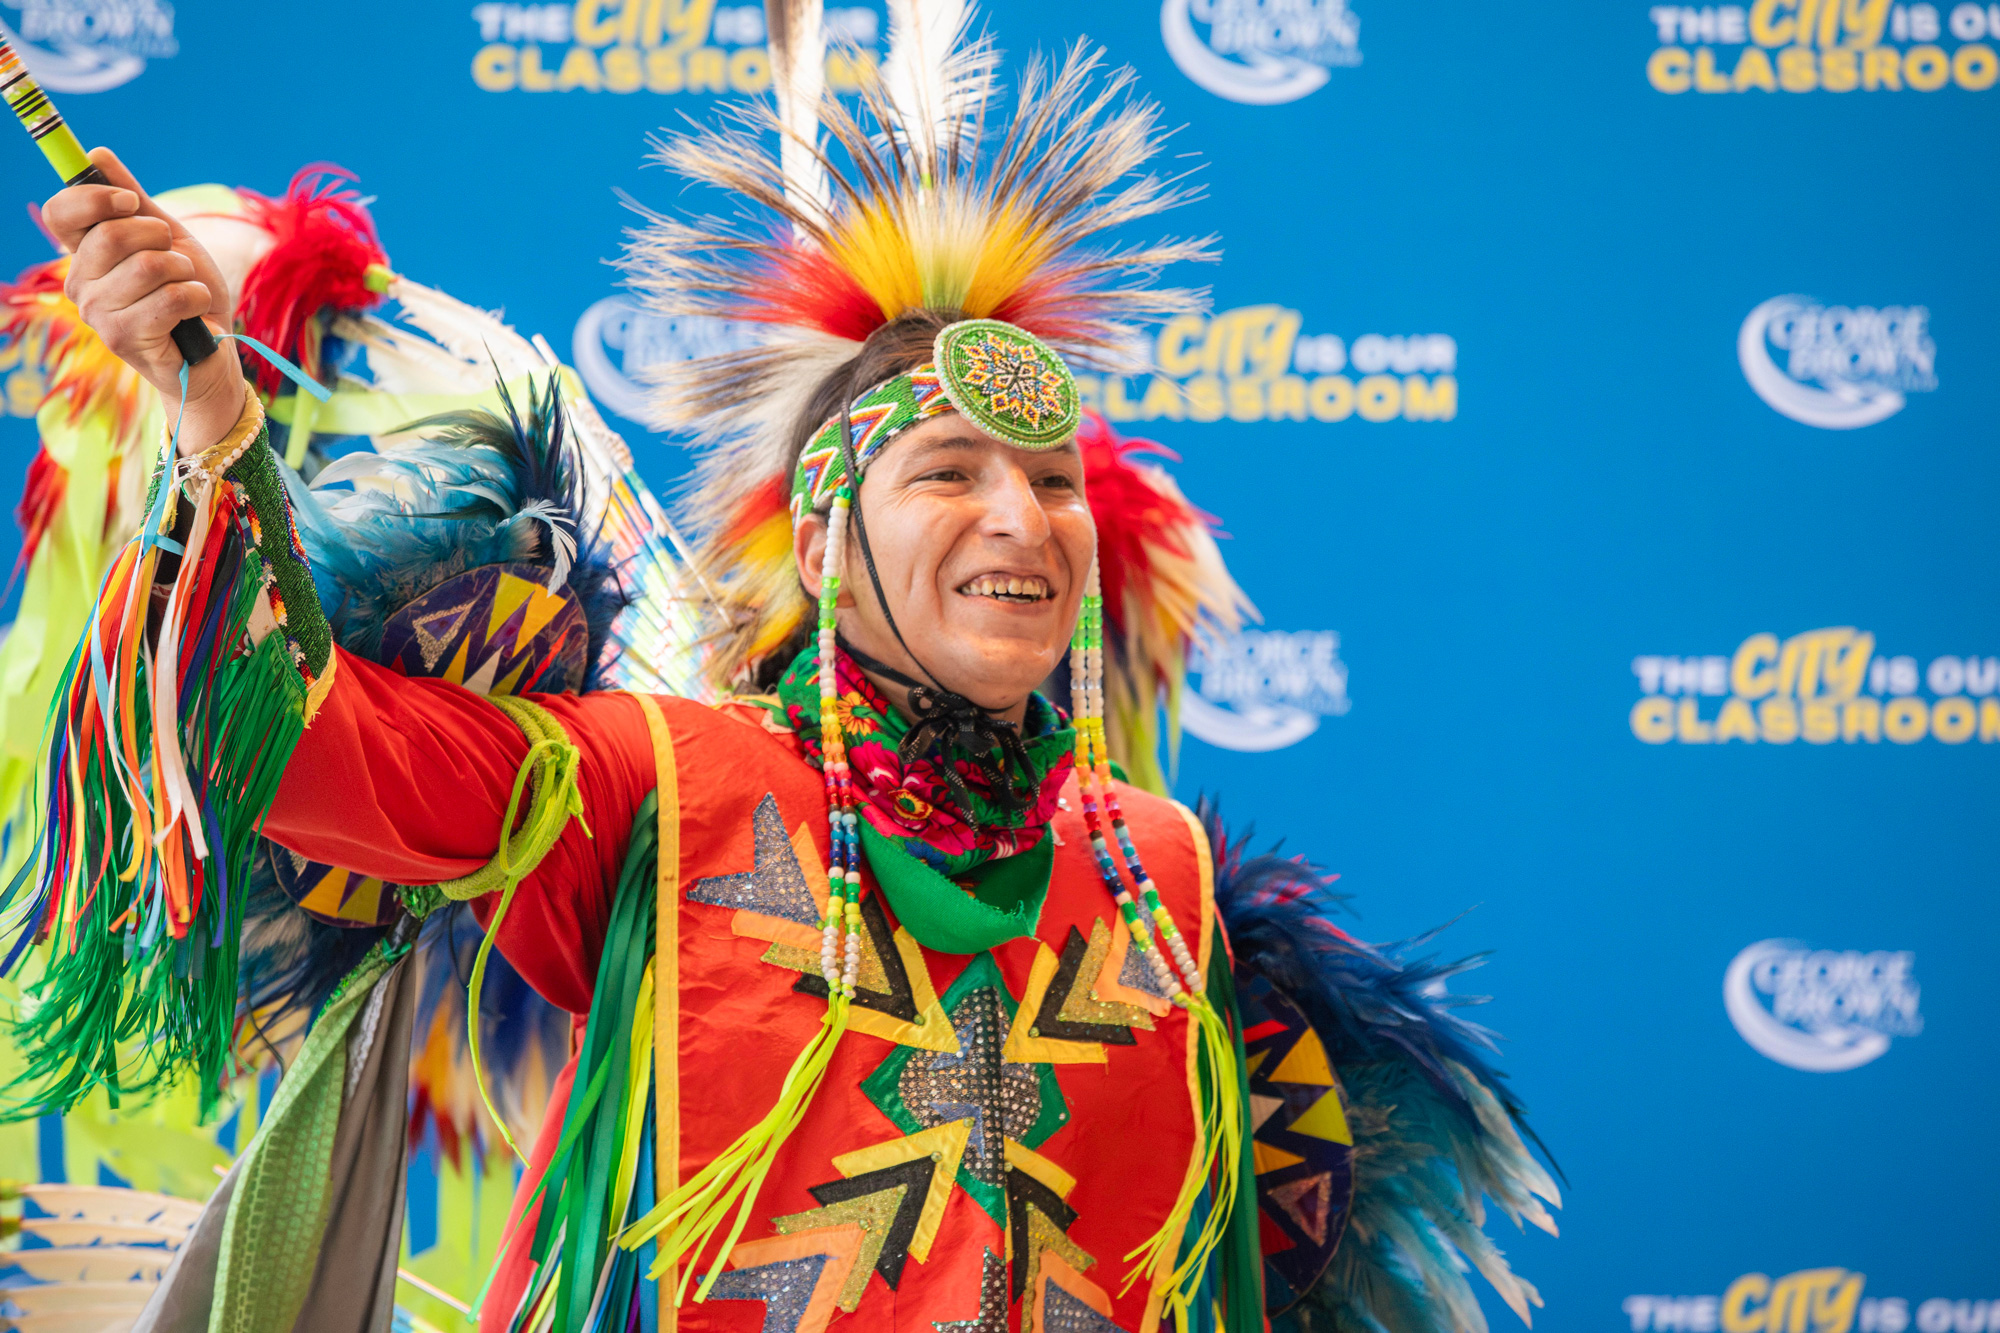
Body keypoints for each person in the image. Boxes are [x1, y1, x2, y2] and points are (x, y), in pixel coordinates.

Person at [12, 10, 1557, 1333]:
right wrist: (215, 420)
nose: (1022, 516)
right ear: (826, 546)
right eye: (949, 471)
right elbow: (300, 746)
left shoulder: (1153, 874)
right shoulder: (661, 782)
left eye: (1057, 478)